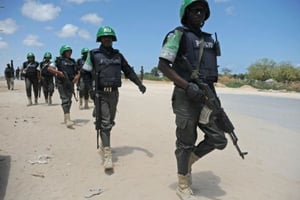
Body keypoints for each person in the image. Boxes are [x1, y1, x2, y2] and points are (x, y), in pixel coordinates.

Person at [157, 0, 227, 199]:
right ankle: (183, 182)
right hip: (185, 96)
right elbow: (163, 65)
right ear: (185, 13)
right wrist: (187, 86)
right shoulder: (177, 35)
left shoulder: (209, 39)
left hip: (208, 95)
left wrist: (214, 99)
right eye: (195, 10)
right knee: (185, 142)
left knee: (219, 138)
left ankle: (187, 162)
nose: (199, 13)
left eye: (203, 10)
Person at [82, 26, 146, 170]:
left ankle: (104, 142)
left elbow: (128, 70)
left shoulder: (118, 55)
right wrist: (90, 90)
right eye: (104, 37)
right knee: (105, 123)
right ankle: (107, 155)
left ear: (113, 39)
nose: (107, 39)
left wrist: (139, 84)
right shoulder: (93, 54)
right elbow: (85, 73)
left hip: (114, 93)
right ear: (100, 39)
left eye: (110, 37)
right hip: (100, 93)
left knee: (109, 121)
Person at [48, 45, 80, 128]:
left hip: (71, 82)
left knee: (69, 100)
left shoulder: (73, 61)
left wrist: (77, 77)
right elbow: (50, 68)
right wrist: (59, 73)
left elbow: (78, 71)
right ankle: (68, 119)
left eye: (70, 51)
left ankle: (66, 117)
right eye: (67, 51)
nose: (69, 53)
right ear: (63, 52)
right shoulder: (57, 60)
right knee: (65, 99)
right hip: (61, 82)